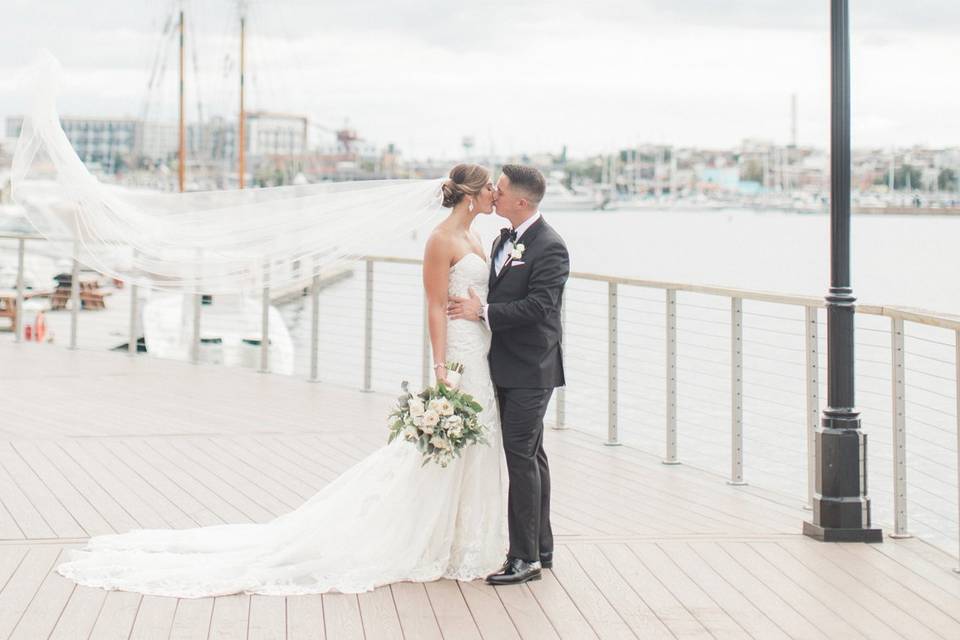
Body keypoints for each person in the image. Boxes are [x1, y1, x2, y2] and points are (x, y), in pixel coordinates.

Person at [54, 163, 509, 597]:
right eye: (490, 187)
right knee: (443, 449)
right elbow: (433, 305)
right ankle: (426, 539)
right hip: (459, 356)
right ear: (471, 195)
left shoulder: (476, 235)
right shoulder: (440, 239)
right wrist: (440, 365)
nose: (495, 194)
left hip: (481, 349)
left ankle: (461, 538)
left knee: (475, 446)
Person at [448, 164, 569, 585]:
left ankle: (524, 559)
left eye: (498, 189)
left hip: (533, 369)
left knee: (520, 456)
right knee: (532, 454)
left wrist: (481, 312)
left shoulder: (550, 246)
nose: (492, 194)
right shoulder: (504, 238)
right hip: (500, 363)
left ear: (520, 201)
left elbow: (540, 307)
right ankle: (542, 547)